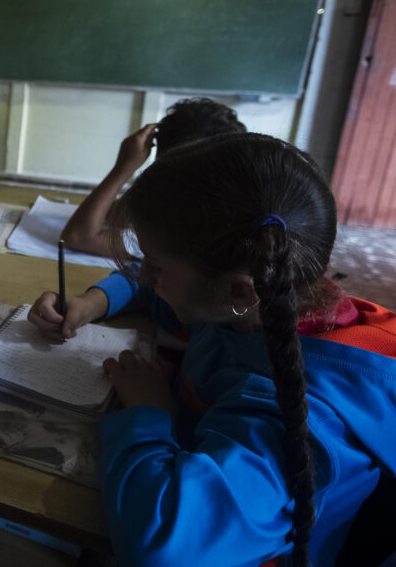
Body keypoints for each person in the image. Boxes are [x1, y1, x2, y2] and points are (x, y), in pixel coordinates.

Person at [28, 133, 396, 566]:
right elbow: (167, 289)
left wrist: (150, 413)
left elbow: (162, 548)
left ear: (239, 288)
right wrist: (92, 302)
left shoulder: (299, 414)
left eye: (156, 266)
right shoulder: (262, 300)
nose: (144, 276)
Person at [61, 97, 246, 258]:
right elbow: (113, 214)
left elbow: (78, 236)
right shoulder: (188, 193)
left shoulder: (188, 223)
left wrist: (124, 167)